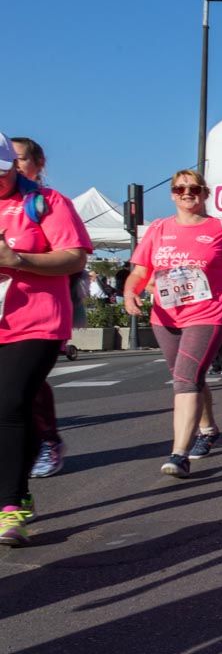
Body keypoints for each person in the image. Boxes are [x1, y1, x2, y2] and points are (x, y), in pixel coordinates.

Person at [125, 169, 222, 477]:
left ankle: (179, 453)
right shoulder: (159, 229)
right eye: (179, 188)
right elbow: (138, 272)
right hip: (166, 316)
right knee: (191, 377)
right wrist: (129, 294)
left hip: (207, 314)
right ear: (172, 193)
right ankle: (208, 427)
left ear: (205, 193)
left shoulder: (221, 228)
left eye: (194, 188)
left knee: (186, 379)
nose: (186, 193)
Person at [0, 133, 92, 547]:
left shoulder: (47, 202)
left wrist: (18, 260)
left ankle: (11, 504)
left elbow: (74, 256)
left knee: (11, 400)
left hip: (35, 321)